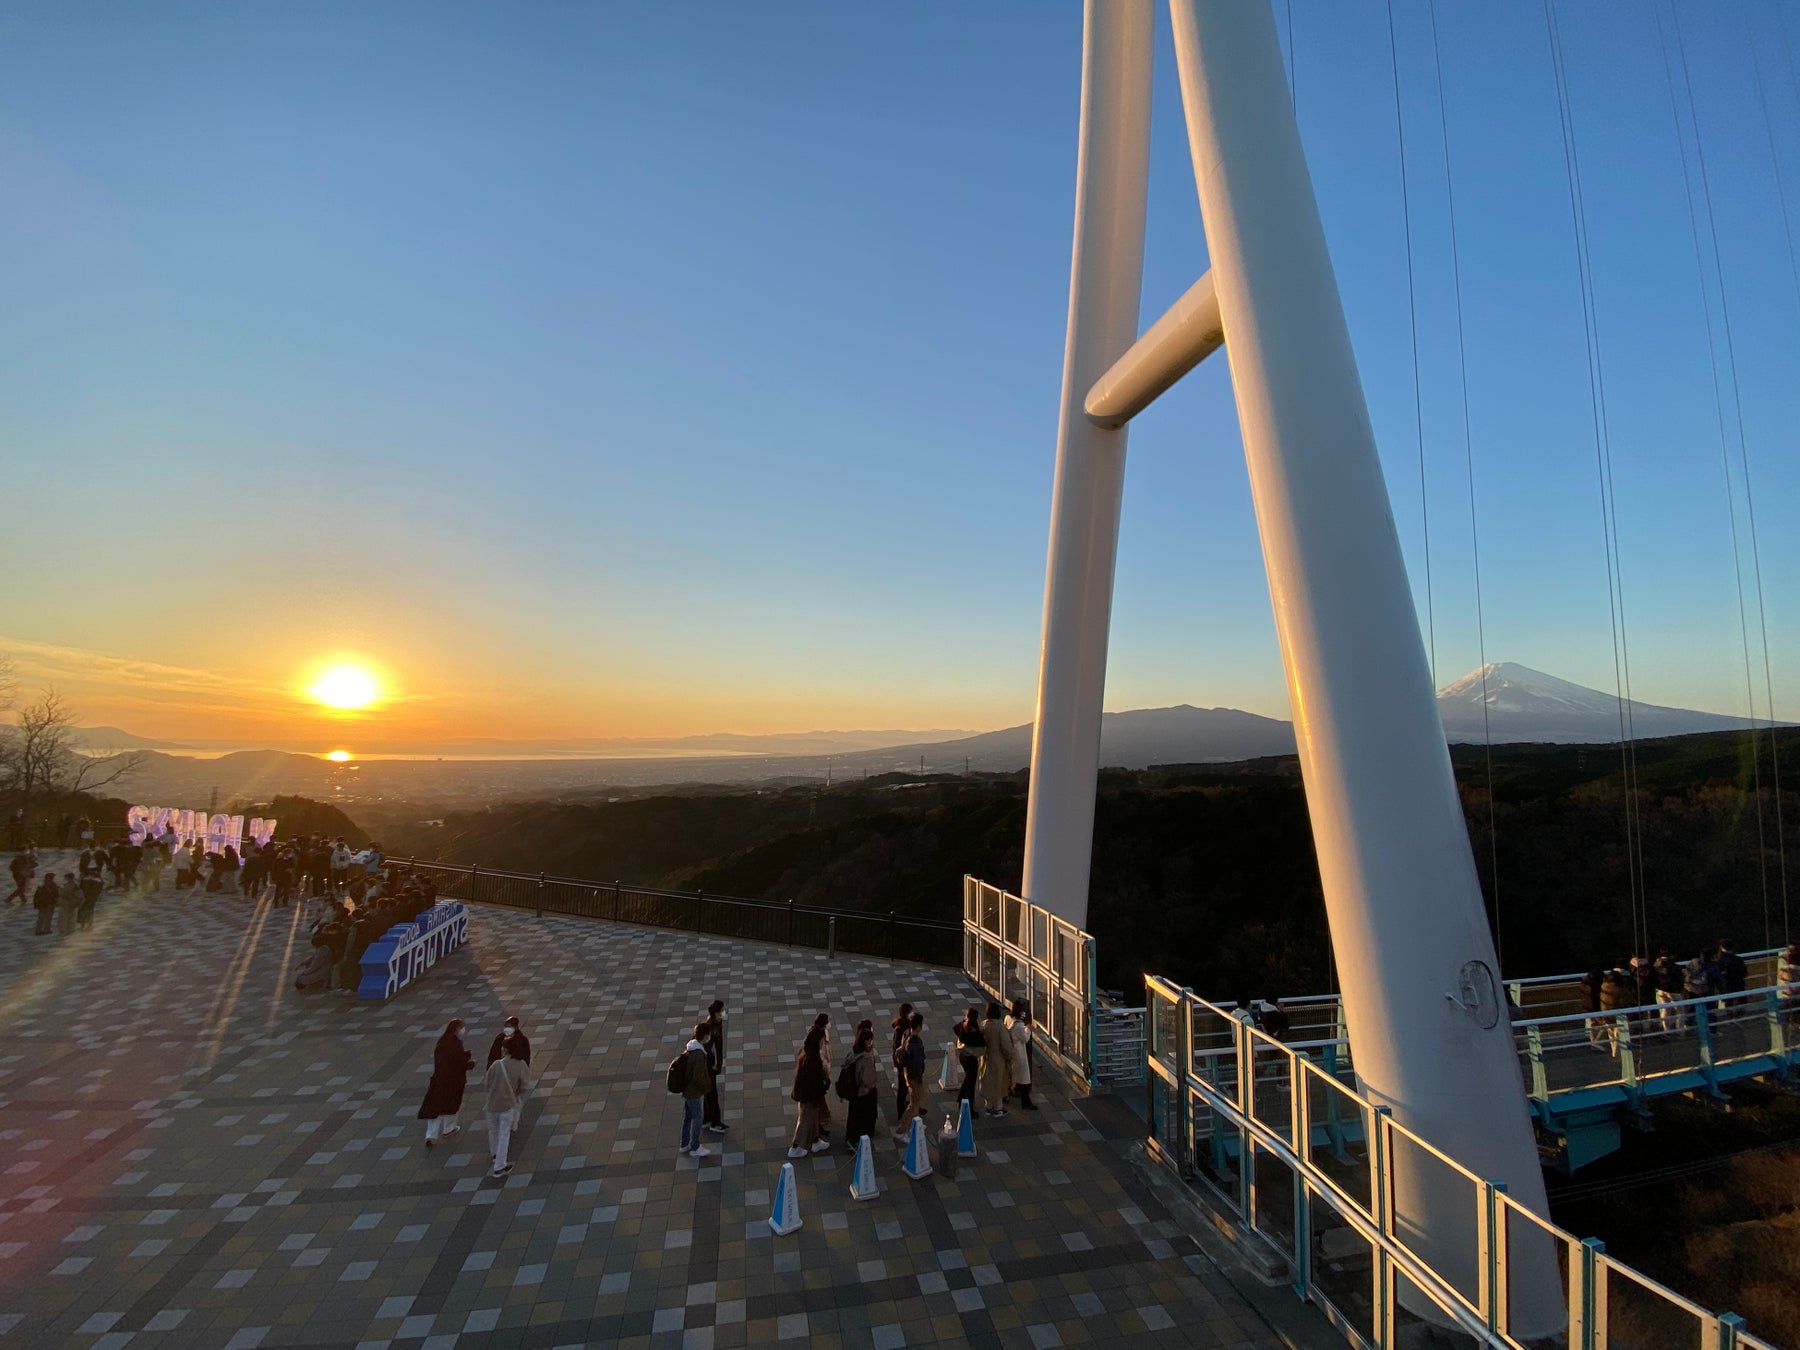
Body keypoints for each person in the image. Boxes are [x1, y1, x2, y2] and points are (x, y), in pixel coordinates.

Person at [418, 1019, 474, 1147]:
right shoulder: (456, 1044)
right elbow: (459, 1063)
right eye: (461, 1027)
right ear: (456, 1030)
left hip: (438, 1080)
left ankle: (430, 1135)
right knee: (452, 1105)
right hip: (453, 1081)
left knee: (435, 1108)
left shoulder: (442, 1042)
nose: (462, 1030)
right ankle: (449, 1128)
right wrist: (469, 1061)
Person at [482, 1037, 529, 1178]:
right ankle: (500, 1166)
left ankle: (495, 1155)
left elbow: (487, 1085)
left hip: (491, 1104)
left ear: (506, 1049)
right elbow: (524, 1086)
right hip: (508, 1104)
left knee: (493, 1130)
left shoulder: (496, 1065)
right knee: (504, 1133)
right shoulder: (521, 1065)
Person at [787, 1026, 831, 1158]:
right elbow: (814, 1081)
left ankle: (815, 1141)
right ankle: (796, 1147)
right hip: (809, 1096)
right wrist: (825, 1082)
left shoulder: (807, 1052)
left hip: (806, 1094)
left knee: (813, 1118)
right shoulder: (813, 1059)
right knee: (806, 1120)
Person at [486, 1018, 533, 1128]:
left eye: (510, 1026)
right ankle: (511, 1121)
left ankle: (510, 1121)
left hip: (512, 1074)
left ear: (516, 1026)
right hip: (502, 1073)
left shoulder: (522, 1040)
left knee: (511, 1098)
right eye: (506, 1025)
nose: (507, 1028)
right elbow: (492, 1055)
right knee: (513, 1099)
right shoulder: (499, 1039)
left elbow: (526, 1057)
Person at [679, 1023, 715, 1159]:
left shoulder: (690, 1047)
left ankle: (684, 1143)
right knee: (697, 1117)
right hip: (693, 1092)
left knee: (687, 1117)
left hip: (686, 1090)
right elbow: (698, 1076)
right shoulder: (699, 1054)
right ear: (705, 1036)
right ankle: (695, 1146)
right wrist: (706, 1087)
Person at [843, 1026, 881, 1153]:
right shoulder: (866, 1058)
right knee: (864, 1116)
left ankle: (850, 1138)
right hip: (864, 1092)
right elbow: (869, 1080)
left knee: (853, 1115)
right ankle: (860, 1140)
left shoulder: (852, 1053)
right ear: (866, 1041)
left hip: (852, 1090)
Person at [897, 1012, 930, 1137]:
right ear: (918, 1026)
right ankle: (902, 1129)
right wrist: (919, 1075)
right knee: (914, 1103)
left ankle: (915, 1124)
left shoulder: (907, 1034)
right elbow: (917, 1062)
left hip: (909, 1073)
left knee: (917, 1100)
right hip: (914, 1076)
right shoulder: (915, 1042)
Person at [701, 999, 729, 1134]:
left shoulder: (718, 1023)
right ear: (715, 1013)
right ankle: (715, 1123)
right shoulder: (710, 1027)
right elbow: (707, 1048)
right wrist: (714, 1064)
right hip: (708, 1066)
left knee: (708, 1092)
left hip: (713, 1064)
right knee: (712, 1094)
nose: (724, 1013)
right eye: (722, 1011)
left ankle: (706, 1119)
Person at [979, 1003, 1010, 1117]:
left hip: (986, 1058)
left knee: (987, 1082)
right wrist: (1010, 1056)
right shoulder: (1000, 1027)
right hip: (998, 1059)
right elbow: (1006, 1046)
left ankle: (988, 1106)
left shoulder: (983, 1025)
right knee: (998, 1083)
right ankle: (998, 1108)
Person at [953, 1007, 985, 1109]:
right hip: (971, 1058)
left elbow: (955, 1028)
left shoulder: (962, 1026)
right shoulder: (974, 1032)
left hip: (963, 1056)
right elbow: (982, 1043)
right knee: (971, 1083)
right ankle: (969, 1107)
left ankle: (960, 1098)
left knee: (967, 1078)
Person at [1008, 1001, 1037, 1110]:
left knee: (1015, 1076)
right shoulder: (1019, 1025)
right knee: (1024, 1078)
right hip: (1020, 1054)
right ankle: (1026, 1102)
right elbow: (1025, 1038)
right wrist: (1028, 1029)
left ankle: (1012, 1092)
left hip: (1013, 1052)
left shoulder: (1010, 1020)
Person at [889, 1003, 915, 1125]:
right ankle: (901, 1113)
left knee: (907, 1086)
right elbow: (896, 1048)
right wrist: (899, 1064)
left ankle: (908, 1107)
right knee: (903, 1088)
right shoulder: (900, 1029)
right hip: (902, 1063)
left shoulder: (907, 1026)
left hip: (906, 1062)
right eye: (910, 1012)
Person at [1652, 949, 1685, 1032]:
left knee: (1665, 1010)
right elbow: (1679, 977)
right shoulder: (1673, 965)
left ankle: (1666, 1030)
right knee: (1680, 1010)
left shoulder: (1656, 965)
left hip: (1660, 990)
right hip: (1673, 990)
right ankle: (1680, 1030)